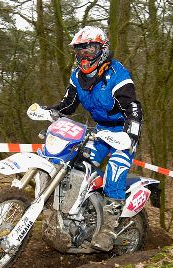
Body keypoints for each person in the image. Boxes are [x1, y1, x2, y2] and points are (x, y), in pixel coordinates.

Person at [44, 26, 143, 251]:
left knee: (115, 172)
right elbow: (68, 103)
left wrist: (131, 134)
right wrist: (51, 111)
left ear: (102, 49)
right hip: (99, 131)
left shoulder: (117, 74)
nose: (84, 56)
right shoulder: (77, 76)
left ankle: (108, 229)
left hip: (122, 132)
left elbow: (133, 107)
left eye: (89, 50)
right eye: (79, 52)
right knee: (77, 166)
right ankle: (78, 214)